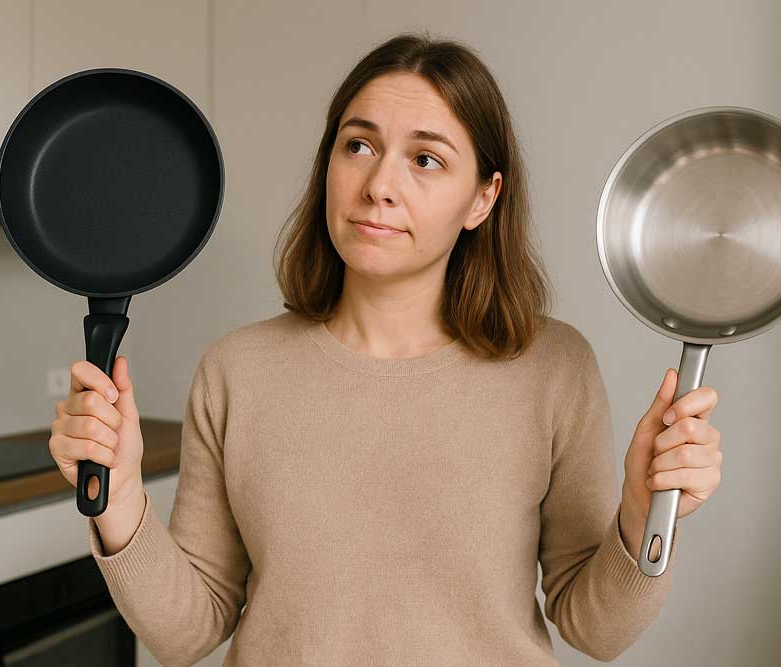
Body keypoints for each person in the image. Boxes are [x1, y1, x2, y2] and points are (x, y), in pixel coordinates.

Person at [49, 31, 723, 666]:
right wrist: (121, 498)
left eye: (426, 159)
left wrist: (641, 515)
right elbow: (187, 630)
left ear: (483, 198)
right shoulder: (237, 370)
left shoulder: (554, 366)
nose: (378, 186)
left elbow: (594, 629)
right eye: (358, 146)